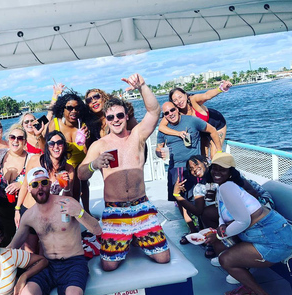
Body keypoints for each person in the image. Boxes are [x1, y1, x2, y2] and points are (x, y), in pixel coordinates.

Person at [78, 73, 170, 271]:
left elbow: (154, 111)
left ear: (126, 116)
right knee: (109, 266)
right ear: (106, 119)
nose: (116, 120)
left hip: (141, 206)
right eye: (110, 117)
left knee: (163, 258)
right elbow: (80, 174)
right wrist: (94, 164)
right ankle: (130, 238)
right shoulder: (99, 145)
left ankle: (135, 237)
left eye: (120, 115)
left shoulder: (137, 136)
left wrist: (142, 86)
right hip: (114, 209)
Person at [203, 152, 292, 295]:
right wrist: (219, 228)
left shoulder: (227, 187)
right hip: (261, 235)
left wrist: (217, 235)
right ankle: (249, 286)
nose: (216, 172)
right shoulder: (223, 187)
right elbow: (222, 214)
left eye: (222, 169)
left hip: (275, 240)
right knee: (223, 248)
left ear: (231, 172)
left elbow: (243, 221)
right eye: (214, 168)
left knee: (226, 259)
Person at [8, 167, 102, 295]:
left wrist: (79, 212)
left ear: (50, 184)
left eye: (44, 182)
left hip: (74, 262)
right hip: (48, 265)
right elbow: (13, 245)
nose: (40, 187)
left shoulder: (67, 203)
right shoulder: (29, 215)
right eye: (35, 184)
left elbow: (97, 230)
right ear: (29, 189)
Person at [172, 155, 275, 258]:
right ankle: (226, 244)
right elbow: (198, 211)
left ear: (206, 162)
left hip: (261, 203)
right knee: (206, 213)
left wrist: (220, 196)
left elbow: (253, 194)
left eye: (196, 164)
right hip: (240, 210)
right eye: (191, 169)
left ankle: (235, 244)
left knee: (227, 215)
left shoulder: (227, 174)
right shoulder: (200, 187)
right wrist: (177, 195)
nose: (194, 169)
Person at [155, 102, 222, 241]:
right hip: (176, 168)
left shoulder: (191, 121)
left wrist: (219, 152)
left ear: (177, 109)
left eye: (172, 110)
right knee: (181, 201)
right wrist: (158, 153)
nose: (170, 114)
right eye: (166, 113)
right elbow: (158, 147)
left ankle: (207, 232)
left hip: (194, 166)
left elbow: (213, 131)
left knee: (200, 200)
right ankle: (192, 230)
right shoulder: (163, 129)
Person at [15, 130, 75, 253]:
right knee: (29, 252)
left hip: (49, 216)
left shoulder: (69, 169)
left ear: (64, 145)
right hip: (30, 210)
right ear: (47, 146)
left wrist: (67, 186)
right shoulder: (36, 161)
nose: (56, 147)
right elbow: (25, 185)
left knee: (45, 253)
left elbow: (67, 199)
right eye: (52, 143)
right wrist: (17, 209)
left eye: (59, 143)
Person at [0, 124, 32, 246]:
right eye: (12, 137)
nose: (15, 140)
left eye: (20, 138)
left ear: (25, 141)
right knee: (1, 238)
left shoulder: (30, 159)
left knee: (22, 240)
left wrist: (22, 183)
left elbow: (37, 180)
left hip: (21, 207)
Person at [159, 81, 231, 158]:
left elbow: (206, 95)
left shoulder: (193, 100)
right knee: (202, 157)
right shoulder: (175, 111)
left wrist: (221, 88)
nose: (179, 101)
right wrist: (178, 133)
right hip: (202, 130)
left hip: (216, 125)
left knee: (214, 155)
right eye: (175, 100)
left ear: (186, 95)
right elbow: (161, 127)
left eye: (180, 97)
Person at [47, 92, 90, 212]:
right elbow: (48, 147)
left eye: (77, 108)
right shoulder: (55, 124)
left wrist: (85, 140)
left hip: (82, 163)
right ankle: (73, 214)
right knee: (73, 182)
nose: (74, 111)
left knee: (83, 183)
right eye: (70, 108)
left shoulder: (83, 125)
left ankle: (86, 211)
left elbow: (88, 153)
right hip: (65, 164)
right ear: (62, 109)